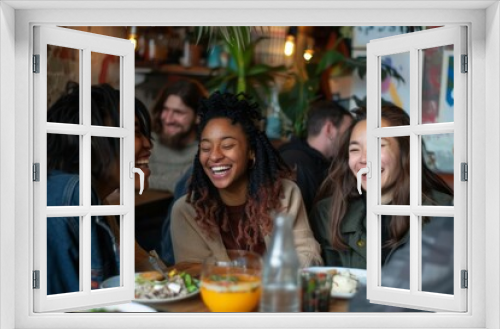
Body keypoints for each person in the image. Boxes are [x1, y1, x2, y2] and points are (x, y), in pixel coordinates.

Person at [170, 92, 322, 267]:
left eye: (227, 146)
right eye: (205, 148)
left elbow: (308, 255)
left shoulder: (285, 194)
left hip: (277, 293)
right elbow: (194, 275)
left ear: (251, 152)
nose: (214, 156)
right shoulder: (187, 212)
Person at [309, 106, 453, 269]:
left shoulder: (444, 212)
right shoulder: (328, 214)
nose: (364, 159)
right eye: (355, 149)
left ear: (405, 152)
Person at [46, 82, 155, 294]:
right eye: (134, 132)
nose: (148, 144)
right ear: (89, 140)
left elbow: (148, 278)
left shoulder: (98, 204)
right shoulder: (70, 198)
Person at [279, 100, 353, 213]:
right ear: (329, 129)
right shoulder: (296, 163)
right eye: (347, 132)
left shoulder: (324, 162)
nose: (351, 139)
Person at [148, 79, 208, 192]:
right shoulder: (147, 143)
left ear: (198, 116)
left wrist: (138, 181)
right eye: (165, 109)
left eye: (178, 112)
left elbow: (182, 182)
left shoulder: (205, 151)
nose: (168, 119)